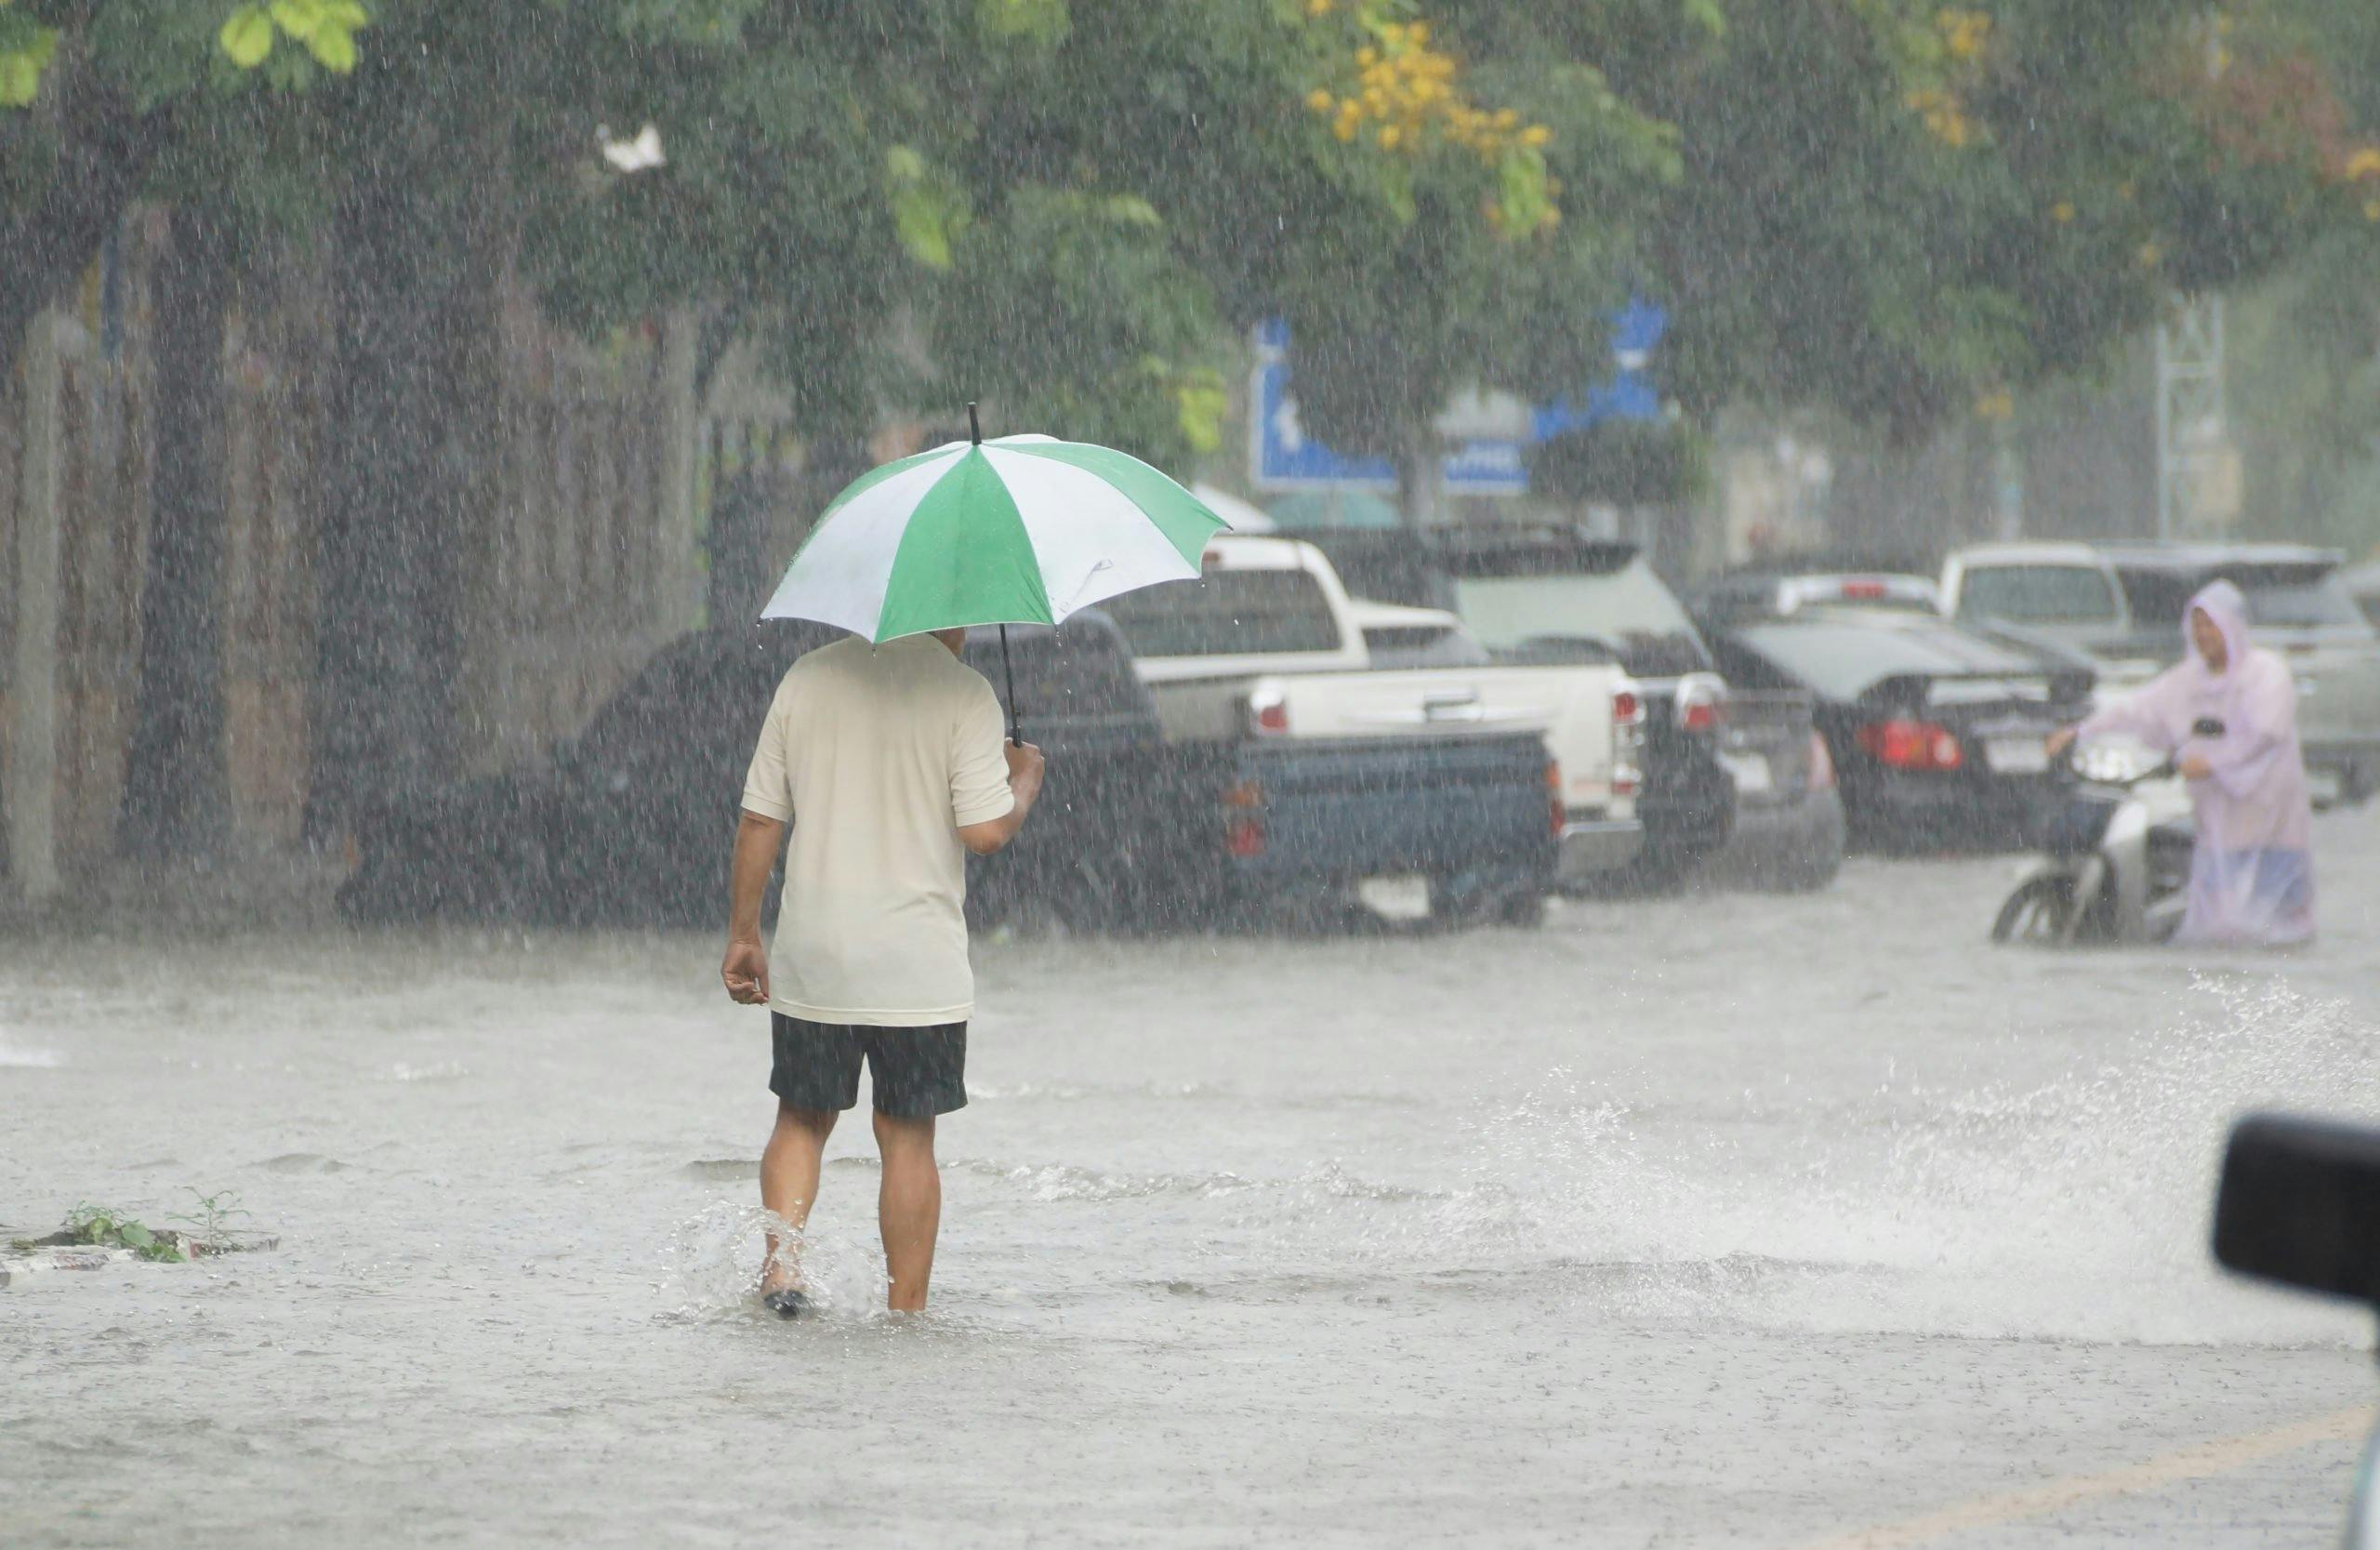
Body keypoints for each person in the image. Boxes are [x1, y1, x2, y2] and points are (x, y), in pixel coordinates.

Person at [721, 628, 1044, 1318]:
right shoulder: (966, 694)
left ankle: (781, 1273)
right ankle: (906, 1313)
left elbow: (759, 819)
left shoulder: (807, 676)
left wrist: (745, 932)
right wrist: (1024, 780)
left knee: (802, 1118)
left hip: (819, 949)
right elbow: (985, 831)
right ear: (953, 612)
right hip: (916, 964)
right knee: (906, 1134)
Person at [2046, 578, 2313, 946]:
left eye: (2212, 624)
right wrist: (2079, 731)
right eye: (2198, 624)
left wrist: (2215, 763)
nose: (2204, 633)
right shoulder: (2187, 682)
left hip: (2272, 820)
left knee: (2280, 932)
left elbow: (2266, 734)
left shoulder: (2266, 673)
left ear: (2233, 626)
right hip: (2218, 824)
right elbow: (2135, 709)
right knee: (2216, 931)